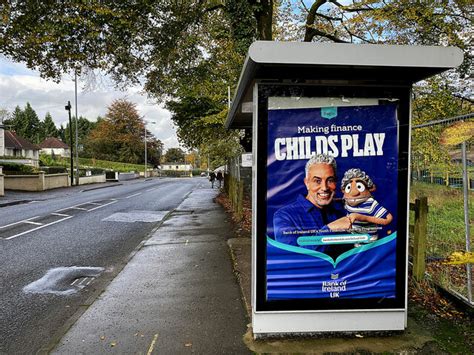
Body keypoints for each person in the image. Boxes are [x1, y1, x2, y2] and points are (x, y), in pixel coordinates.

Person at [272, 154, 353, 256]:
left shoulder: (344, 211)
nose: (324, 187)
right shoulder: (285, 216)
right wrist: (330, 229)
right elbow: (291, 257)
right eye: (317, 181)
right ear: (307, 183)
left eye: (330, 180)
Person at [341, 168, 393, 245]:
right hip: (354, 239)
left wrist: (364, 218)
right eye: (349, 187)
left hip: (369, 241)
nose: (354, 193)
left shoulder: (370, 203)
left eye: (359, 186)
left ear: (370, 188)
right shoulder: (347, 203)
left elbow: (388, 219)